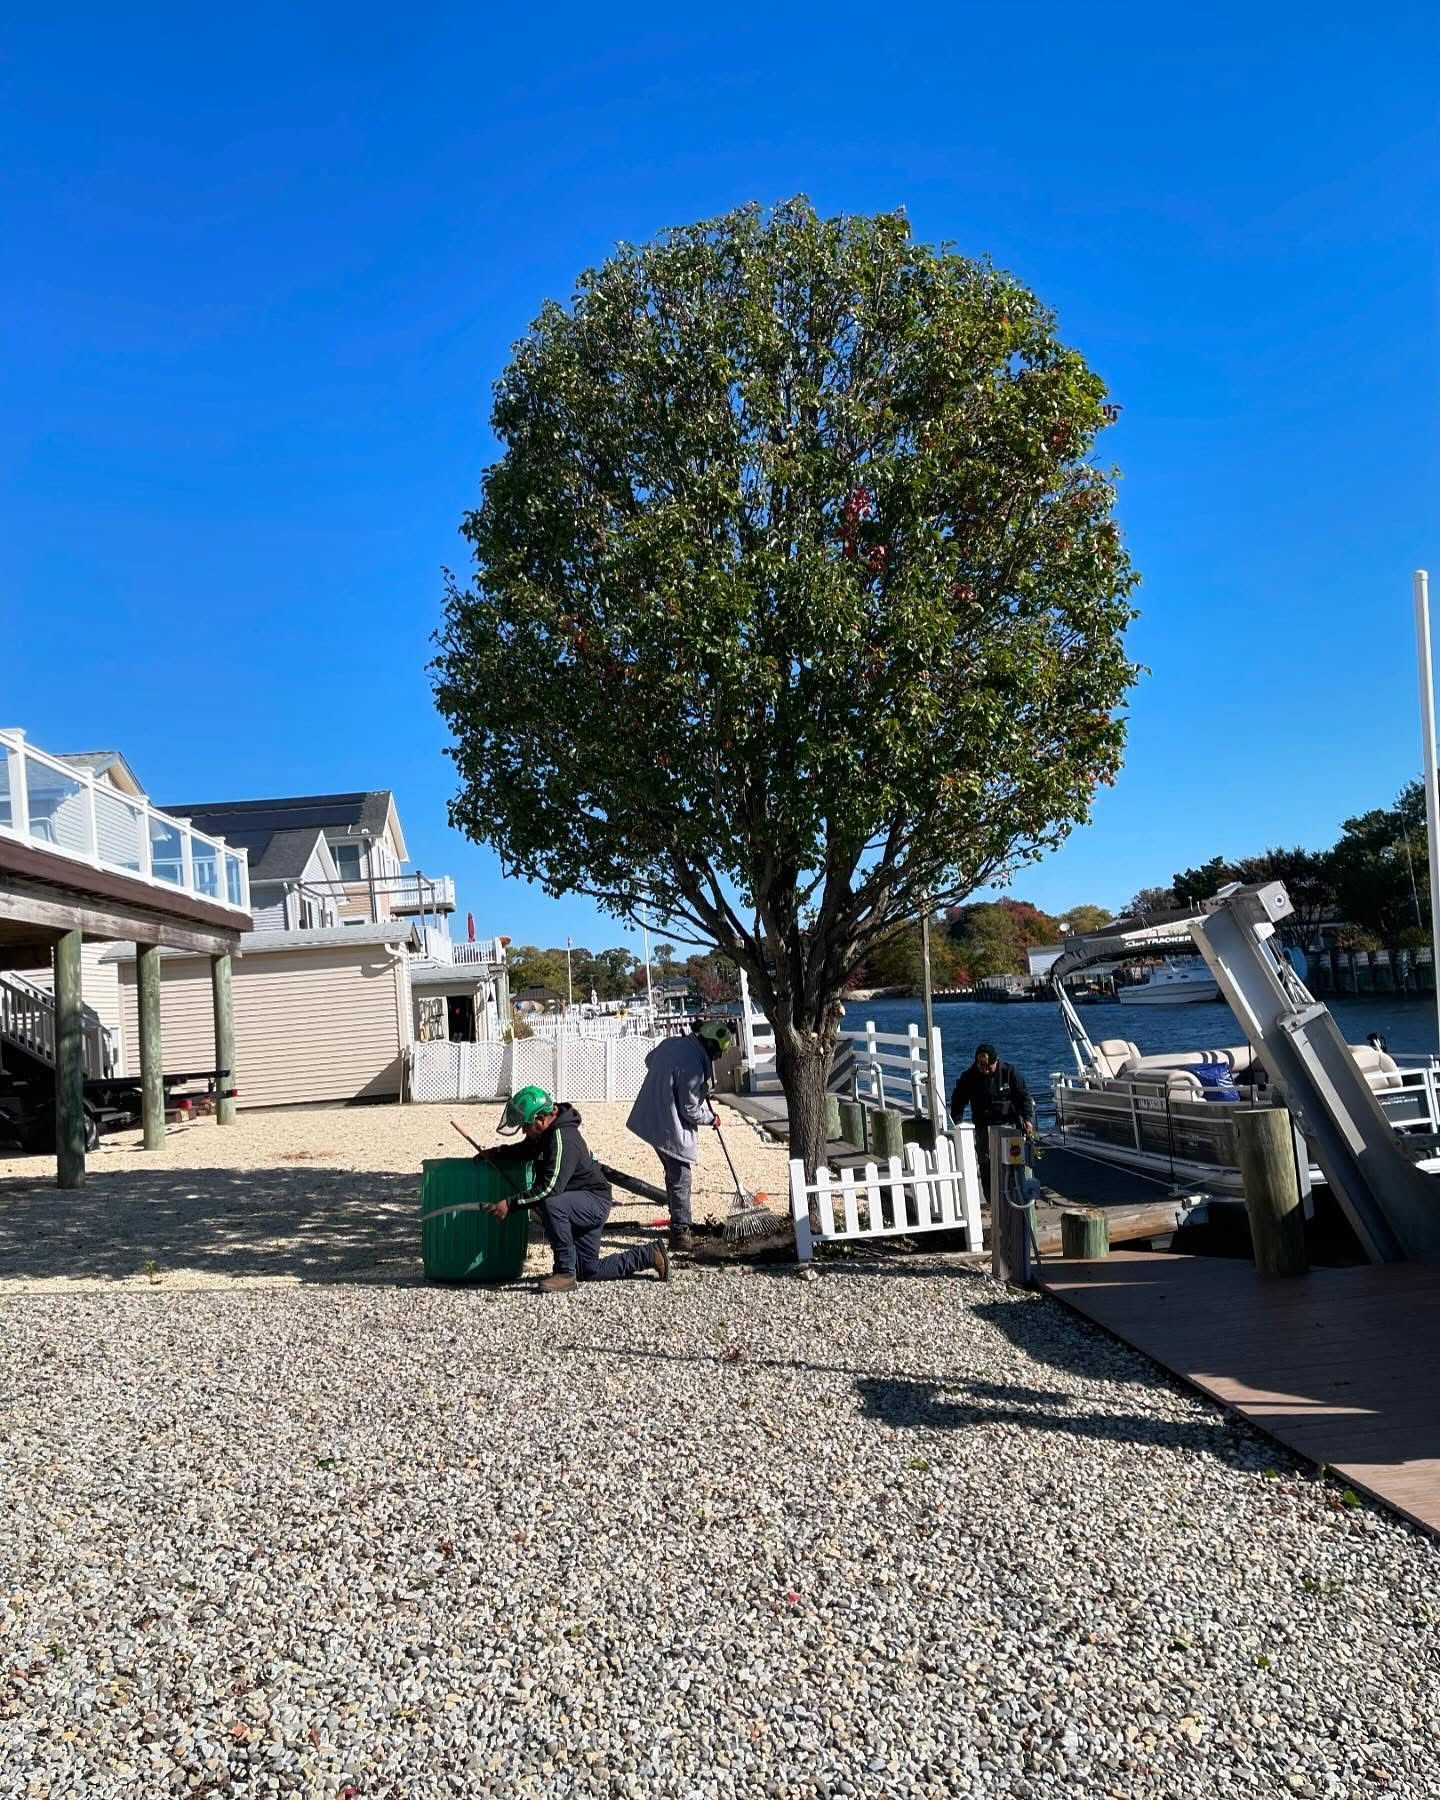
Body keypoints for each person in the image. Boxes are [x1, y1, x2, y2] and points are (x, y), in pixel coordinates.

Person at [480, 1084, 667, 1293]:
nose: (524, 1131)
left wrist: (510, 1204)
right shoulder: (546, 1133)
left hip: (593, 1202)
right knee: (588, 1270)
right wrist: (496, 1153)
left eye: (526, 1126)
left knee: (550, 1202)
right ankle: (650, 1255)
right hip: (581, 1202)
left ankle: (565, 1273)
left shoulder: (562, 1139)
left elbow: (549, 1188)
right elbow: (526, 1150)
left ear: (541, 1119)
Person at [625, 1018, 736, 1251]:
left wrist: (670, 1076)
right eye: (718, 1053)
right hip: (667, 1123)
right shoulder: (693, 1065)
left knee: (674, 1174)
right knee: (681, 1176)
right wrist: (711, 1118)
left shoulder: (671, 1043)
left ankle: (678, 1219)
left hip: (650, 1115)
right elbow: (689, 1110)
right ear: (711, 1045)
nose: (717, 1058)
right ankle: (680, 1231)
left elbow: (649, 1060)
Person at [949, 1042, 1035, 1199]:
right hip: (983, 1125)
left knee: (1013, 1161)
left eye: (989, 1066)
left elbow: (1024, 1098)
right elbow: (958, 1100)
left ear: (996, 1061)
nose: (985, 1070)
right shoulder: (969, 1076)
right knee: (985, 1162)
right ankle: (991, 1198)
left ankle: (1015, 1196)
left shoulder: (1010, 1072)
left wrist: (1028, 1119)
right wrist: (958, 1122)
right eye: (981, 1066)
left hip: (1009, 1125)